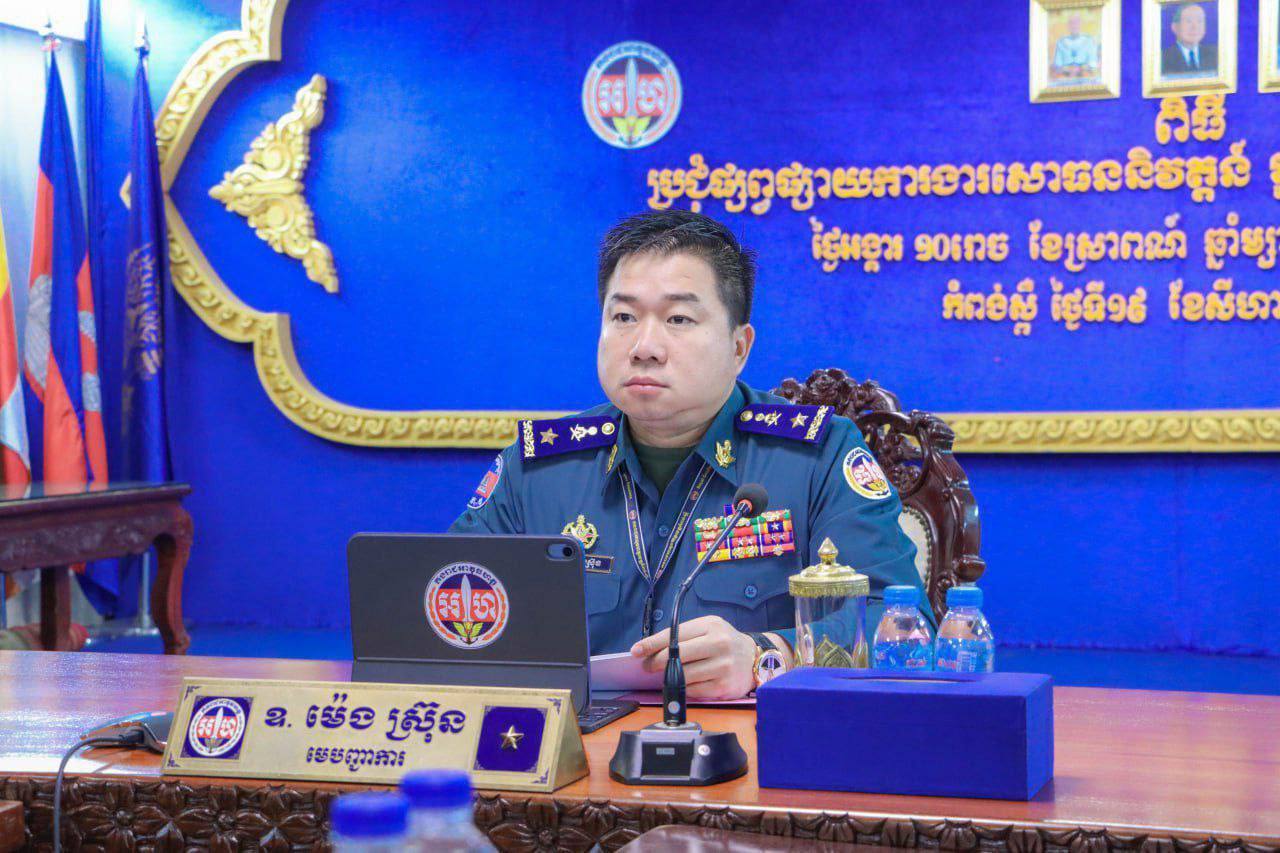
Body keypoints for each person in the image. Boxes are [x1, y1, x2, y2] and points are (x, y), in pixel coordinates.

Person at [450, 210, 928, 699]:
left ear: (739, 347)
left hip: (752, 741)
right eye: (623, 317)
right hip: (573, 739)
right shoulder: (537, 468)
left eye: (678, 319)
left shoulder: (817, 457)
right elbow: (445, 610)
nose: (644, 347)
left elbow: (903, 624)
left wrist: (767, 656)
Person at [1161, 3, 1218, 75]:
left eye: (1199, 21)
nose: (1195, 27)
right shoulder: (1162, 58)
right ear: (1175, 27)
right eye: (1188, 21)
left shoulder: (1215, 54)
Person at [1051, 13, 1100, 80]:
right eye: (1071, 23)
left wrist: (1081, 69)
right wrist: (1068, 69)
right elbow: (1057, 64)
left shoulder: (1089, 41)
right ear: (1068, 25)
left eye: (1076, 22)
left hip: (1085, 77)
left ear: (1080, 24)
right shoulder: (1061, 42)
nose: (1074, 25)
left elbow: (1093, 63)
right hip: (1065, 78)